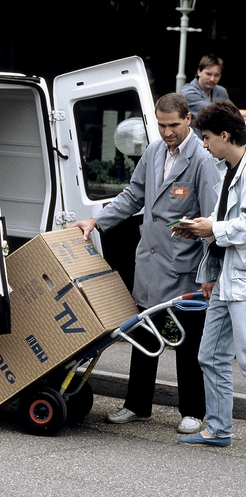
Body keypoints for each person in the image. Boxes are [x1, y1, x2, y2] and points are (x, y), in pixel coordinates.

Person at [70, 92, 219, 433]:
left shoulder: (202, 159)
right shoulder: (153, 152)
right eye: (162, 125)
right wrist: (97, 221)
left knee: (186, 341)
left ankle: (194, 410)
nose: (167, 132)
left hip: (184, 267)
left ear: (188, 121)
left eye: (174, 126)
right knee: (144, 334)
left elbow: (212, 220)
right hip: (150, 261)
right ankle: (137, 404)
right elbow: (132, 195)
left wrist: (209, 272)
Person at [174, 100, 246, 447]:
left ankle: (218, 428)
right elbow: (222, 227)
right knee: (211, 356)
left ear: (224, 134)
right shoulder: (226, 170)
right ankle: (218, 429)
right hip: (224, 278)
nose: (203, 144)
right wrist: (200, 231)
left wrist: (212, 227)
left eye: (206, 137)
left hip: (243, 282)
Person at [180, 54, 228, 135]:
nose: (212, 79)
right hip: (194, 143)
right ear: (199, 72)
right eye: (208, 74)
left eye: (216, 75)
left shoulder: (221, 91)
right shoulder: (187, 92)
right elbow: (212, 112)